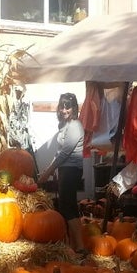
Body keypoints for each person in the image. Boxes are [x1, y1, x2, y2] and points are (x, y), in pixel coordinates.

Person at [37, 92, 86, 253]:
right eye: (62, 106)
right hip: (66, 169)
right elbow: (59, 154)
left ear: (74, 108)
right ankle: (74, 245)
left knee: (67, 207)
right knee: (68, 205)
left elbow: (65, 154)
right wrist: (50, 169)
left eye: (68, 107)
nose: (65, 110)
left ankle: (79, 247)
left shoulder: (75, 126)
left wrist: (48, 172)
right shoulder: (65, 126)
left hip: (72, 170)